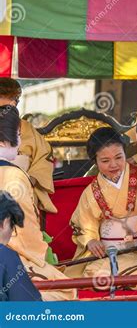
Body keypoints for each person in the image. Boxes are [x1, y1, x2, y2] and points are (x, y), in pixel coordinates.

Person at [0, 106, 74, 301]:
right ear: (7, 139)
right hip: (11, 255)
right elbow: (26, 233)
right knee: (65, 291)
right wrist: (38, 254)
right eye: (17, 135)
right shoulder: (14, 176)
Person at [66, 128, 137, 280]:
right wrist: (90, 240)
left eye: (119, 157)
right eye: (105, 161)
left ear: (125, 153)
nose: (113, 165)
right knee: (94, 273)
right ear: (95, 162)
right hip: (110, 252)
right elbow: (84, 224)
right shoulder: (92, 191)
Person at [0, 78, 56, 214]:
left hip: (25, 187)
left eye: (16, 99)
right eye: (7, 97)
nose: (13, 102)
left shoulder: (26, 127)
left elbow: (45, 155)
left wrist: (33, 179)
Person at [0, 192, 42, 301]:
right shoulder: (5, 255)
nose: (10, 235)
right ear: (5, 222)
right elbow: (28, 311)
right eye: (13, 227)